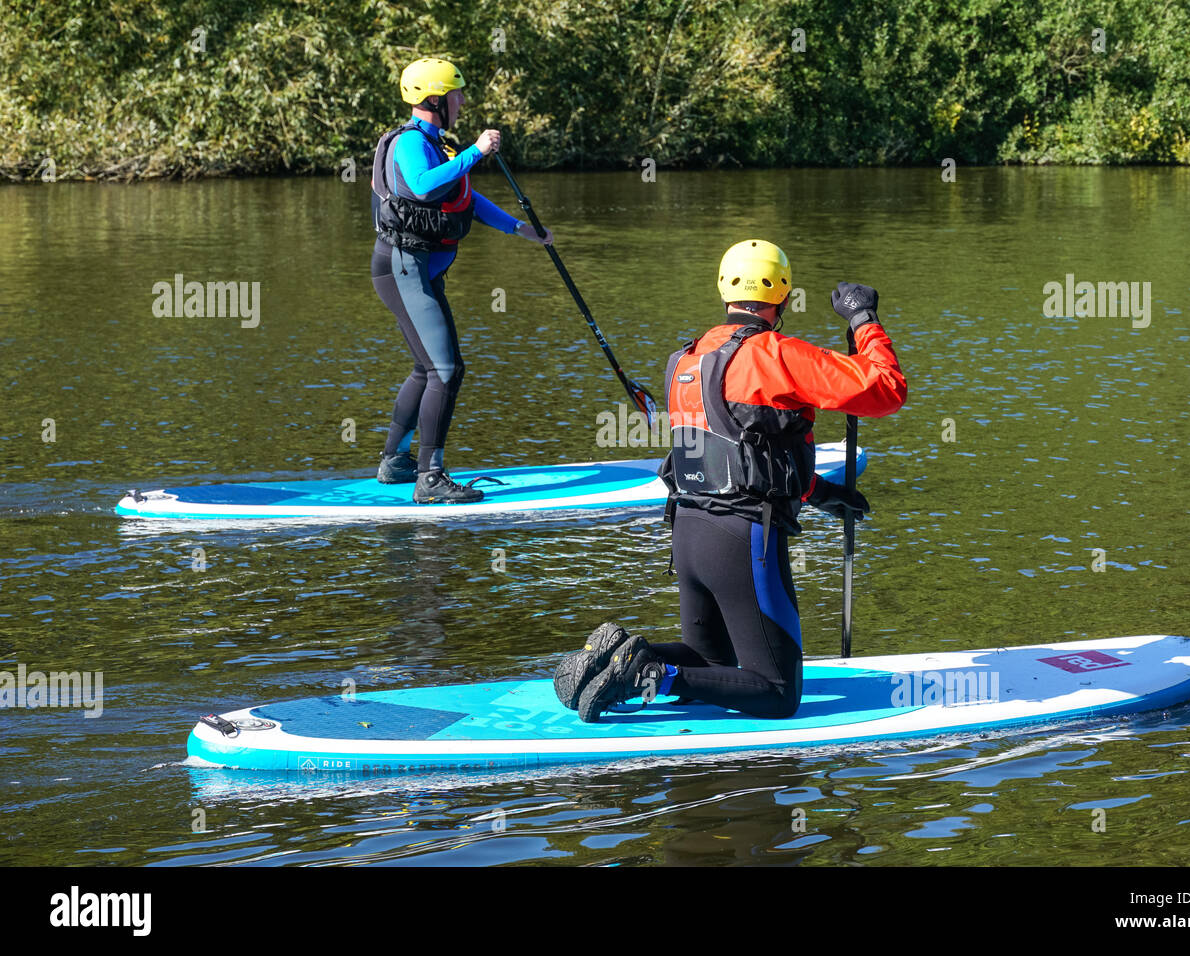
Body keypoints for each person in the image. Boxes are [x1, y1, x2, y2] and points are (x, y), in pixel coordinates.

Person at [554, 239, 907, 722]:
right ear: (782, 295)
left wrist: (821, 493)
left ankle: (612, 655)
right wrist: (863, 321)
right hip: (744, 539)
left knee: (713, 666)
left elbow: (739, 451)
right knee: (777, 692)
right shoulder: (778, 354)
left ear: (724, 288)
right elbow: (885, 391)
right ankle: (646, 673)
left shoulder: (685, 358)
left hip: (689, 530)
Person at [371, 56, 553, 502]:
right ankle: (430, 478)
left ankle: (395, 462)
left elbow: (467, 198)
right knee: (445, 370)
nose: (463, 100)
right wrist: (476, 151)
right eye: (456, 94)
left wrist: (521, 229)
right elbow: (421, 187)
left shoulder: (440, 145)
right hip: (403, 268)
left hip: (419, 273)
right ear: (435, 99)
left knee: (429, 368)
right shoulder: (412, 144)